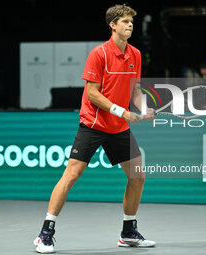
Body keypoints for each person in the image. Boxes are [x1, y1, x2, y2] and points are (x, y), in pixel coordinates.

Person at [33, 4, 156, 253]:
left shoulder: (135, 55)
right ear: (112, 25)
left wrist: (143, 109)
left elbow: (135, 89)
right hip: (94, 124)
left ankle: (128, 232)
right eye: (124, 21)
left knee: (137, 176)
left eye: (131, 21)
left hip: (119, 127)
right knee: (71, 175)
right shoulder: (99, 54)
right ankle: (45, 233)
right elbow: (92, 93)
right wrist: (123, 112)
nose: (130, 25)